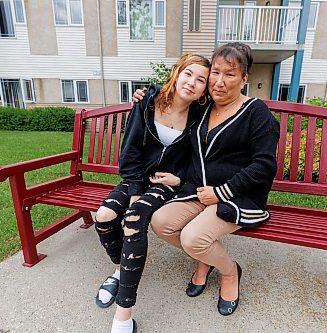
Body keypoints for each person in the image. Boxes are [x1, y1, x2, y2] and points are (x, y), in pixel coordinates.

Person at [137, 42, 279, 316]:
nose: (219, 82)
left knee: (192, 238)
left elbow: (264, 166)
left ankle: (229, 272)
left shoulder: (256, 113)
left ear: (244, 79)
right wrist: (145, 95)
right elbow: (173, 101)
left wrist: (222, 191)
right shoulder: (203, 110)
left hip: (238, 195)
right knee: (161, 222)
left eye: (230, 74)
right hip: (200, 192)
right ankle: (206, 259)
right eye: (215, 73)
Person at [94, 53, 210, 333]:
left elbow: (197, 161)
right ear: (176, 73)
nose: (192, 83)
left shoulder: (200, 117)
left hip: (165, 184)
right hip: (138, 177)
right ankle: (120, 269)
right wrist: (134, 189)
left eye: (201, 80)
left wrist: (179, 179)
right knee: (104, 216)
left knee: (134, 219)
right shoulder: (147, 101)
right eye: (188, 74)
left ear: (205, 89)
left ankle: (123, 317)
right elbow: (130, 150)